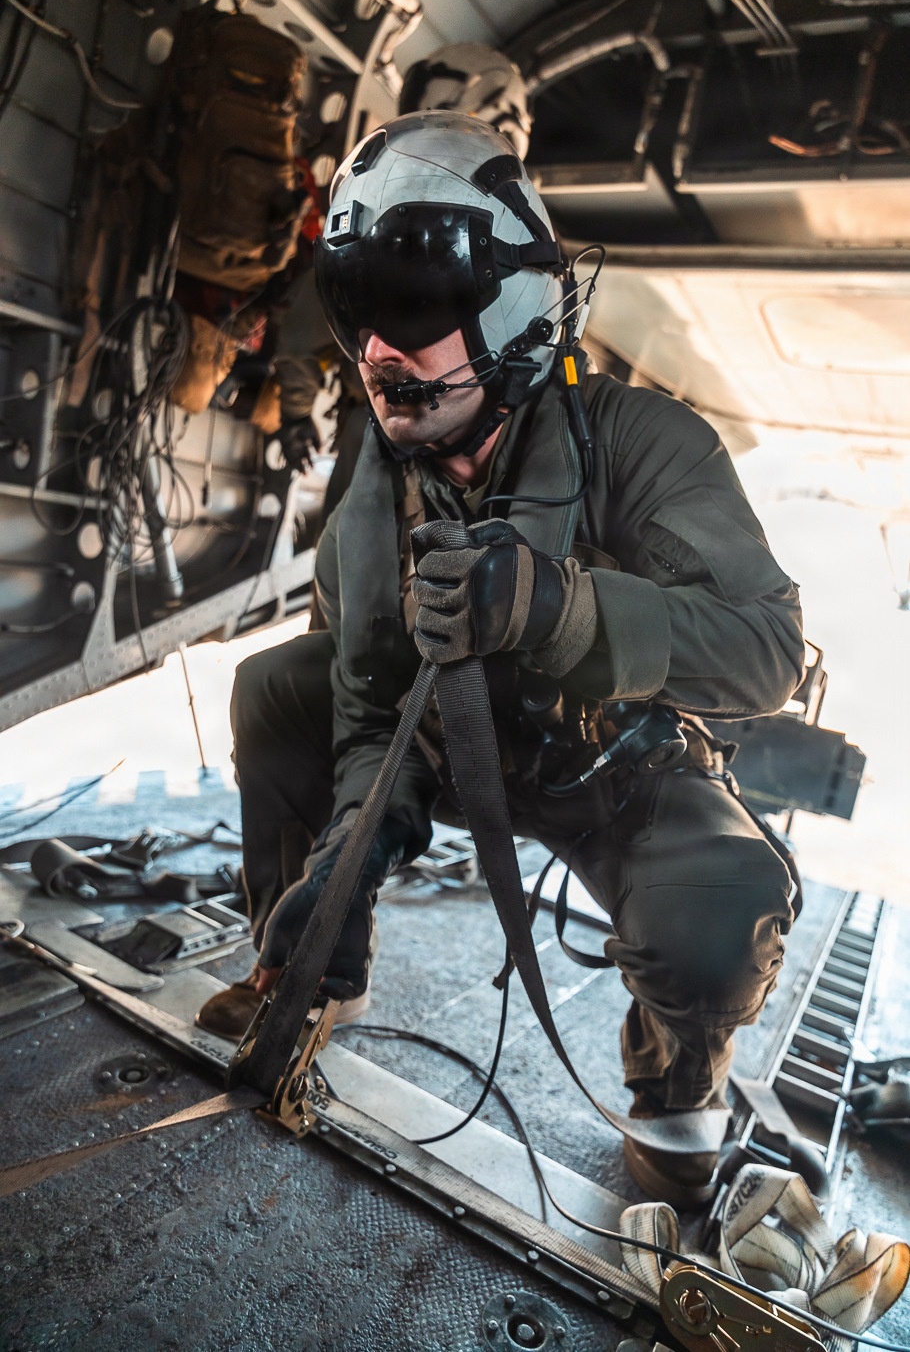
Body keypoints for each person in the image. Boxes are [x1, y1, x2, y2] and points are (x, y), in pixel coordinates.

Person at [196, 111, 805, 1209]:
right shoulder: (380, 491)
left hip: (617, 772)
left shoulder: (645, 445)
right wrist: (344, 865)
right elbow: (368, 707)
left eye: (416, 310)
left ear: (515, 311)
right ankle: (308, 963)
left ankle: (675, 1088)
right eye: (357, 310)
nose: (380, 352)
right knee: (275, 691)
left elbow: (762, 648)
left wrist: (558, 610)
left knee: (720, 902)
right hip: (443, 747)